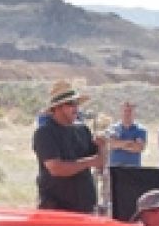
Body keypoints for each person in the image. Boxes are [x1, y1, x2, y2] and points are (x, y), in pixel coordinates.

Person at [32, 80, 107, 213]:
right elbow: (56, 168)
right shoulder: (45, 133)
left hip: (85, 207)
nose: (76, 108)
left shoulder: (83, 130)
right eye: (71, 104)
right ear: (58, 107)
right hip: (56, 208)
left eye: (76, 104)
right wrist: (89, 162)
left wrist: (102, 146)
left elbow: (100, 163)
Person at [104, 101, 147, 167]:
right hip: (115, 167)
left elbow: (138, 148)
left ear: (134, 113)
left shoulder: (140, 130)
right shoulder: (112, 128)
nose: (127, 113)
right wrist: (130, 143)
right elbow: (111, 144)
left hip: (133, 168)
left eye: (130, 111)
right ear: (121, 112)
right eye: (125, 111)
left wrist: (119, 144)